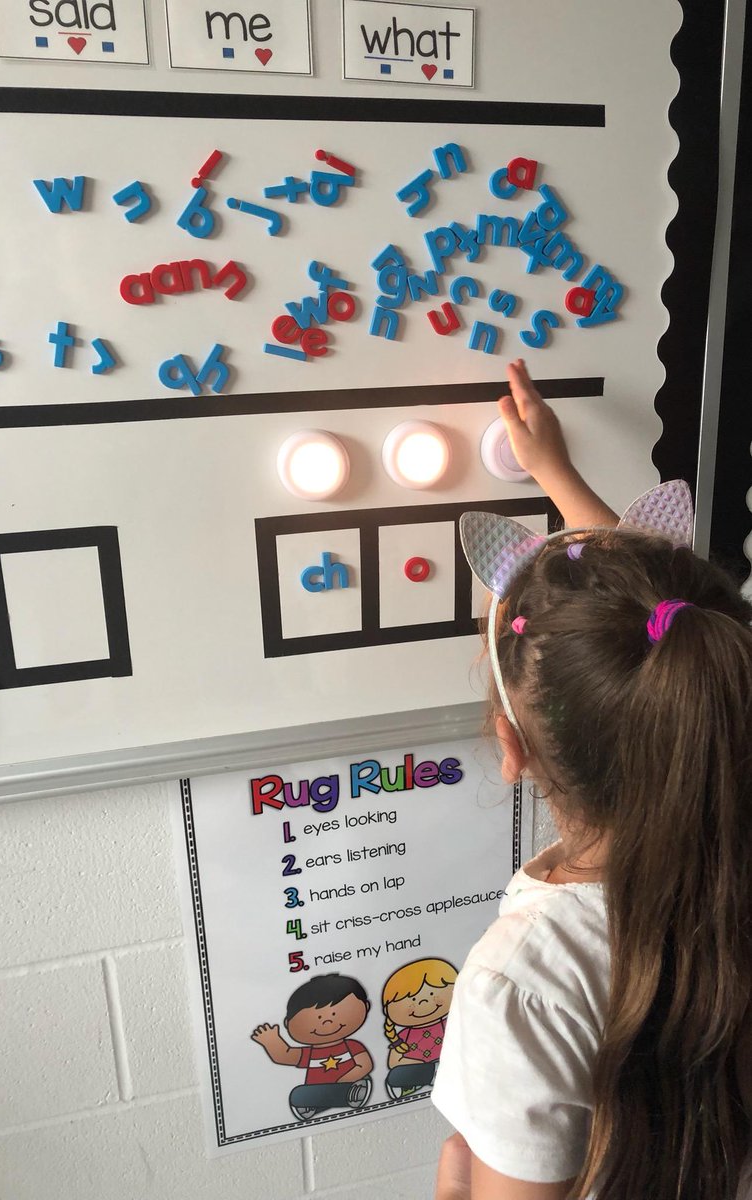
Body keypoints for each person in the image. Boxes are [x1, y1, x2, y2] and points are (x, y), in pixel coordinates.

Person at [432, 360, 752, 1200]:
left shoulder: (527, 980)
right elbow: (654, 628)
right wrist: (558, 477)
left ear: (512, 747)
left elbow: (645, 637)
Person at [251, 972, 373, 1085]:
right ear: (288, 1024)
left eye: (334, 1014)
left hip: (348, 1086)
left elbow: (365, 1064)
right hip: (315, 1093)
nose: (327, 1022)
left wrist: (344, 1080)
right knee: (299, 1096)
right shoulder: (309, 1054)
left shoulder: (352, 1046)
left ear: (366, 1006)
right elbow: (285, 1056)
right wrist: (272, 1042)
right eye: (318, 1017)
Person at [382, 957, 458, 1067]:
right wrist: (422, 1066)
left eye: (432, 993)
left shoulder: (451, 1023)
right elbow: (394, 1063)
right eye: (412, 999)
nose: (424, 1001)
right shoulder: (403, 1036)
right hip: (420, 1075)